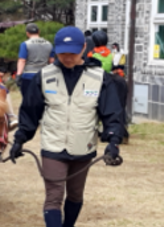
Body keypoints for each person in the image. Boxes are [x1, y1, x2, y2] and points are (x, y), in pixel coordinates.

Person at [9, 26, 124, 227]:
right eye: (62, 53)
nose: (67, 57)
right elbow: (30, 112)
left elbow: (111, 113)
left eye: (72, 53)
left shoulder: (99, 78)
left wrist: (113, 140)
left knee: (75, 195)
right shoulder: (44, 76)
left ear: (83, 49)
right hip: (53, 146)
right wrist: (20, 139)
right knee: (54, 196)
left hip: (83, 147)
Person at [16, 23, 55, 97]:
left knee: (28, 99)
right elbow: (51, 61)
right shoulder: (49, 44)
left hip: (28, 76)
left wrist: (18, 75)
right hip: (44, 75)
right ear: (39, 31)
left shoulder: (25, 44)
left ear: (27, 33)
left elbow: (22, 60)